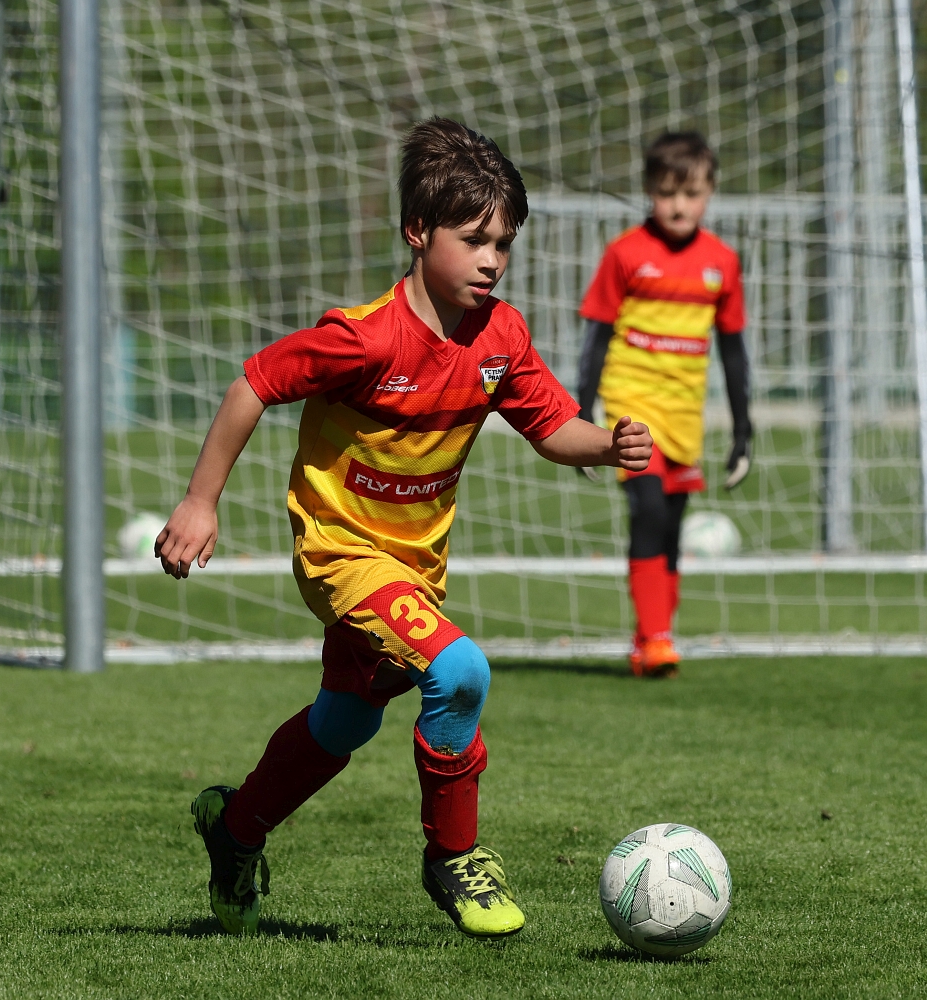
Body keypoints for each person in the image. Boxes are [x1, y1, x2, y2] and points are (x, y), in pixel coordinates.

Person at [153, 118, 653, 937]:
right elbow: (253, 384)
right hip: (340, 553)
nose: (492, 260)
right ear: (417, 232)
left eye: (503, 243)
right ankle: (453, 858)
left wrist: (607, 443)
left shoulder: (500, 336)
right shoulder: (362, 339)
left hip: (414, 568)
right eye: (473, 240)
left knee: (344, 721)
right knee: (459, 672)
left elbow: (550, 426)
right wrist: (199, 502)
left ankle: (235, 827)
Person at [575, 132, 750, 678]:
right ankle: (656, 640)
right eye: (667, 192)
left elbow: (734, 351)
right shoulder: (625, 253)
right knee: (648, 510)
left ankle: (651, 637)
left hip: (684, 412)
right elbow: (596, 339)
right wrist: (581, 414)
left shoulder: (722, 261)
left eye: (691, 194)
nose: (679, 206)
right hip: (632, 404)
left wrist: (743, 432)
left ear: (710, 192)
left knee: (672, 524)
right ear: (649, 190)